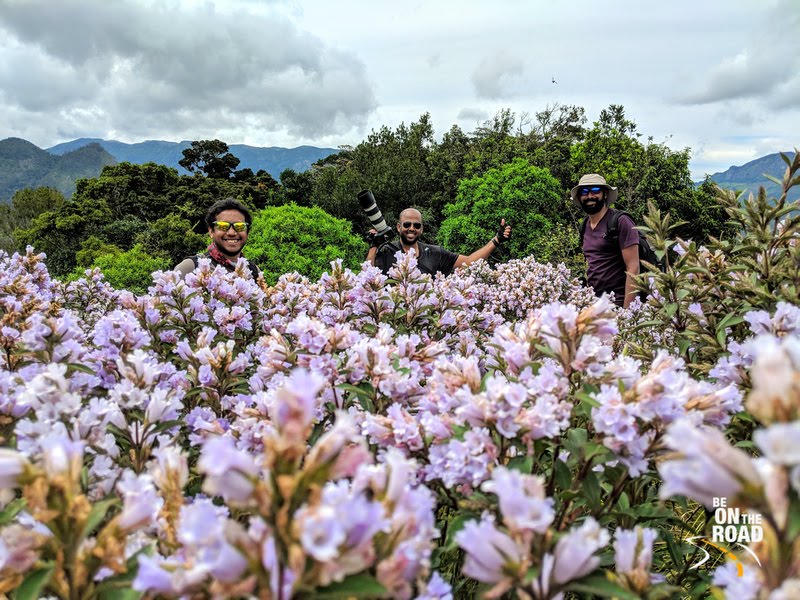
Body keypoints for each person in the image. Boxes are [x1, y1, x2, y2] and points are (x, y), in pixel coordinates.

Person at [367, 207, 511, 277]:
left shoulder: (435, 253)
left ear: (421, 229)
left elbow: (469, 262)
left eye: (416, 225)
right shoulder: (386, 251)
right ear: (399, 227)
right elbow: (367, 276)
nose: (412, 228)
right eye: (407, 224)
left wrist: (496, 240)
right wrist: (374, 246)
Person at [571, 174, 639, 308]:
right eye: (584, 192)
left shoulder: (620, 222)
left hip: (618, 304)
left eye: (595, 190)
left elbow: (633, 268)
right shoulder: (584, 226)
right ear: (579, 197)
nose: (590, 196)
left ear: (605, 194)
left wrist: (627, 313)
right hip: (594, 304)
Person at [174, 197, 260, 279]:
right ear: (211, 231)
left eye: (239, 226)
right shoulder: (190, 267)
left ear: (247, 232)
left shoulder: (254, 271)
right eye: (223, 226)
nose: (231, 233)